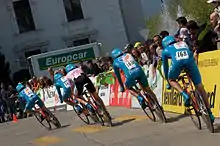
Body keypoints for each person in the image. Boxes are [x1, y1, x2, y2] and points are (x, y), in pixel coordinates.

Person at [161, 36, 215, 122]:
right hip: (190, 62)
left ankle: (184, 94)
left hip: (177, 63)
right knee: (200, 87)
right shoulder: (183, 43)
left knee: (171, 80)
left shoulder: (165, 51)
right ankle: (210, 112)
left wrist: (168, 79)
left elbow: (166, 68)